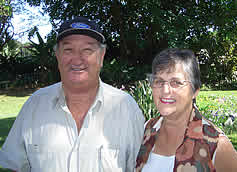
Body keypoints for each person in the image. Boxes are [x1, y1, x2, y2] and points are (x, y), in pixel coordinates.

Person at [0, 16, 145, 172]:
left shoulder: (126, 107)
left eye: (87, 50)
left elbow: (141, 167)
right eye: (68, 50)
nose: (77, 59)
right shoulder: (34, 106)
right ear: (58, 56)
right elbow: (16, 166)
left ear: (101, 56)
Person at [135, 49, 237, 172]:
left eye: (176, 83)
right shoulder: (146, 131)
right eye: (159, 81)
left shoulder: (216, 146)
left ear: (195, 91)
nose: (165, 90)